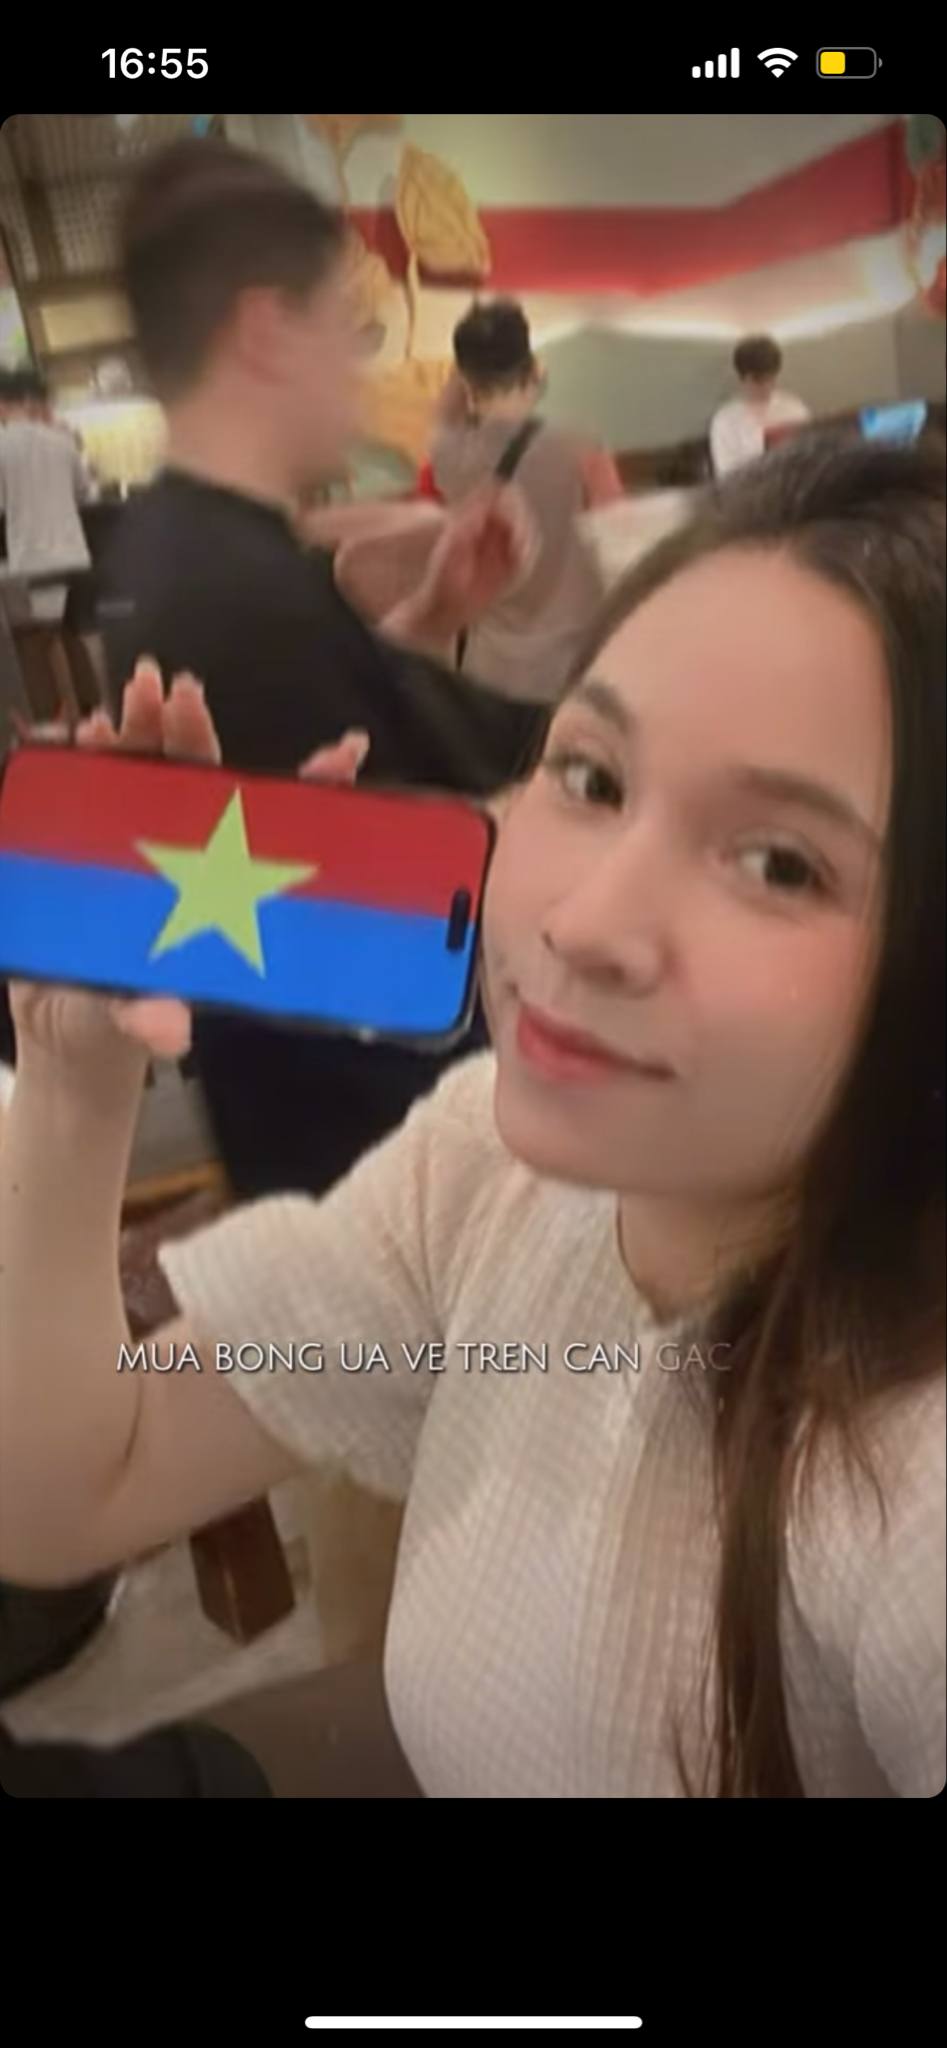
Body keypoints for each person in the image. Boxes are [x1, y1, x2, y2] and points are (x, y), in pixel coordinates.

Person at [2, 435, 943, 1799]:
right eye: (591, 776)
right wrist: (76, 1076)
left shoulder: (909, 1490)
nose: (583, 921)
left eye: (777, 863)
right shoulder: (485, 1165)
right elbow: (71, 1483)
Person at [95, 140, 539, 1201]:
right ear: (265, 332)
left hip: (334, 1148)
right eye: (346, 329)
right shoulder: (228, 588)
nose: (361, 368)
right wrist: (586, 790)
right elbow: (385, 898)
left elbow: (328, 775)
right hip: (386, 1173)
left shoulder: (186, 548)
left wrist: (431, 618)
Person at [431, 299, 624, 705]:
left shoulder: (448, 454)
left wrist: (469, 375)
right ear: (532, 367)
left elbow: (444, 411)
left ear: (466, 379)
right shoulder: (580, 444)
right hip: (568, 665)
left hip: (489, 670)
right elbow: (618, 545)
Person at [710, 336, 811, 479]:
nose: (766, 387)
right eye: (758, 381)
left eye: (770, 378)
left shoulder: (795, 409)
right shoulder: (726, 421)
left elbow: (809, 458)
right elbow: (727, 476)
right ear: (742, 378)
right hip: (751, 488)